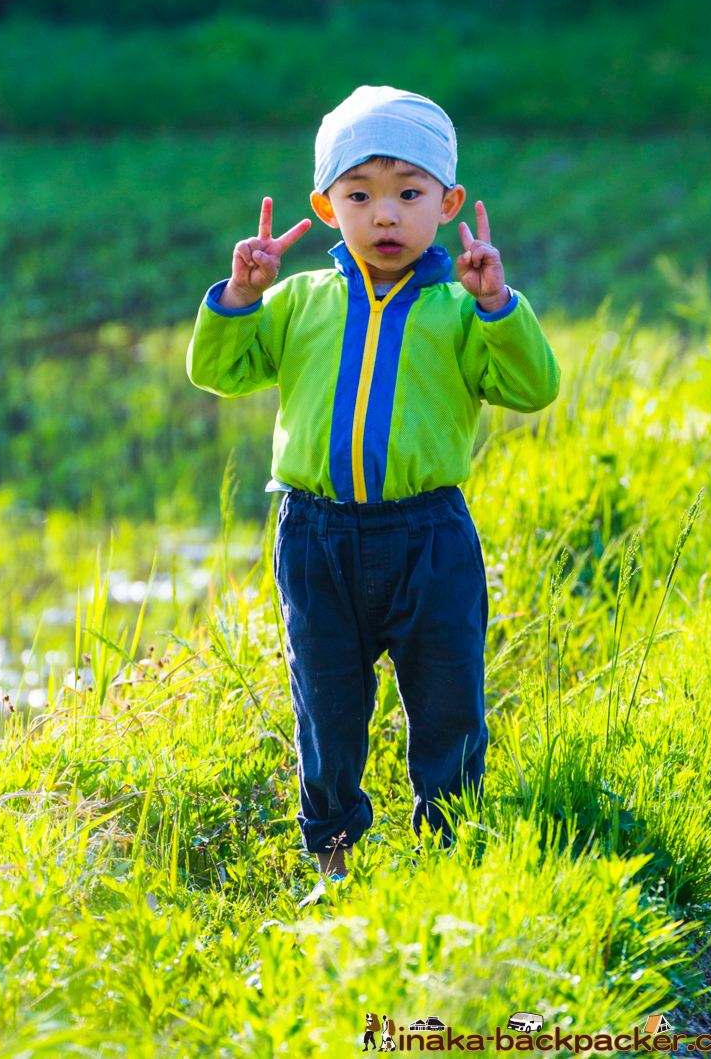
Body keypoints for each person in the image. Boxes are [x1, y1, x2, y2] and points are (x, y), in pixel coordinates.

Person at [187, 86, 560, 902]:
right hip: (314, 536)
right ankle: (333, 857)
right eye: (360, 195)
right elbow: (220, 371)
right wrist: (241, 297)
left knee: (447, 695)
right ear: (326, 206)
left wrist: (499, 303)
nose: (384, 215)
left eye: (408, 193)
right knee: (325, 702)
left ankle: (451, 850)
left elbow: (532, 388)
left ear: (448, 202)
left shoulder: (460, 308)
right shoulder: (299, 303)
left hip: (429, 536)